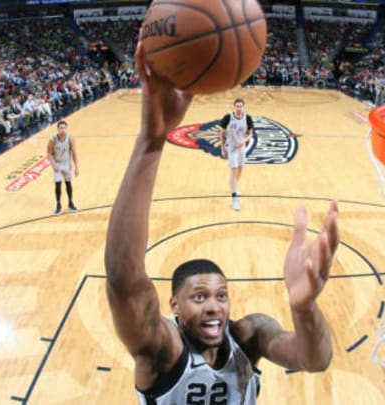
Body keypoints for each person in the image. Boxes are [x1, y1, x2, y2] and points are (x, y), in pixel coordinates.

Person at [104, 41, 338, 404]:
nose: (214, 306)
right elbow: (123, 278)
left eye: (221, 296)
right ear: (175, 307)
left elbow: (316, 360)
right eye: (199, 297)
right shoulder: (161, 349)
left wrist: (305, 311)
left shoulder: (250, 335)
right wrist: (151, 143)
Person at [219, 98, 254, 211]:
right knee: (234, 172)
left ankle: (233, 186)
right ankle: (234, 200)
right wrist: (223, 148)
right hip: (231, 147)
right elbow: (222, 133)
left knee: (240, 169)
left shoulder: (247, 118)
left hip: (242, 147)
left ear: (243, 107)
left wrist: (244, 141)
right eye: (237, 106)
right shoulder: (227, 118)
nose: (239, 108)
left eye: (241, 106)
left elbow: (250, 134)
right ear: (234, 107)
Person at [47, 120, 79, 215]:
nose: (63, 129)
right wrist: (53, 165)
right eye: (61, 128)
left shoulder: (70, 138)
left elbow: (74, 153)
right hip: (57, 163)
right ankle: (58, 205)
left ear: (66, 128)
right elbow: (49, 153)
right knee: (58, 184)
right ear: (58, 129)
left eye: (64, 127)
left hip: (67, 163)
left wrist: (76, 167)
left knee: (68, 183)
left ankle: (70, 202)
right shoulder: (52, 139)